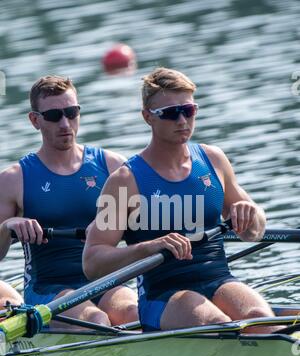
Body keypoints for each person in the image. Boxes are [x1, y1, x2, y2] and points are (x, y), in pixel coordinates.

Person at [83, 67, 276, 333]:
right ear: (148, 117)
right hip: (162, 295)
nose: (182, 120)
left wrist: (251, 214)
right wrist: (148, 247)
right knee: (218, 325)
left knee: (261, 319)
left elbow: (255, 233)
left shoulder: (214, 160)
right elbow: (92, 263)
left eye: (189, 110)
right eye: (171, 113)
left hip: (219, 278)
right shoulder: (124, 181)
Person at [0, 75, 138, 326]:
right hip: (49, 289)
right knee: (97, 320)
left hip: (107, 281)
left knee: (133, 313)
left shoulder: (112, 165)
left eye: (71, 112)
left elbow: (143, 232)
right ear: (35, 120)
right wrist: (6, 227)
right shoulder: (13, 179)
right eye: (54, 116)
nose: (65, 123)